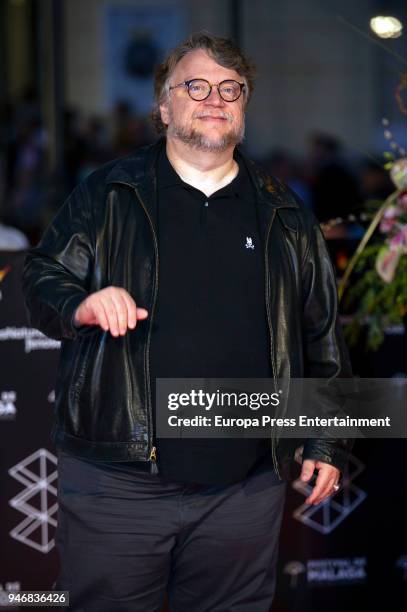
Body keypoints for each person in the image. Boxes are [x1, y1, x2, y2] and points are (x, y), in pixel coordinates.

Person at [22, 32, 353, 612]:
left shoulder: (287, 213)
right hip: (117, 480)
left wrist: (325, 440)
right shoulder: (109, 193)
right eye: (195, 85)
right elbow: (41, 277)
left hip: (246, 488)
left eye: (231, 88)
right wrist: (82, 303)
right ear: (163, 105)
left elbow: (320, 337)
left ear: (244, 105)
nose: (214, 98)